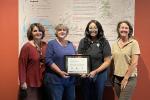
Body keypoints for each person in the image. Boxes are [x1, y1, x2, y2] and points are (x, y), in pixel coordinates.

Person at [77, 20, 111, 100]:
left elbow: (107, 61)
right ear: (87, 30)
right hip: (85, 74)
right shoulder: (83, 41)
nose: (93, 30)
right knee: (86, 96)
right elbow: (79, 58)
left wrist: (95, 71)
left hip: (100, 74)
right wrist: (81, 71)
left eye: (95, 28)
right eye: (90, 28)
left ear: (99, 29)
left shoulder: (104, 42)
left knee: (98, 97)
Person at [44, 24, 76, 100]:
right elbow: (48, 60)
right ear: (56, 32)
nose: (62, 31)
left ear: (67, 32)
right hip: (55, 80)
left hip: (70, 80)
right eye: (59, 30)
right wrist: (60, 72)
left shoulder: (70, 44)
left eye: (64, 30)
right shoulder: (51, 44)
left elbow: (75, 59)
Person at [112, 20, 140, 100]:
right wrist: (111, 76)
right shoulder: (115, 44)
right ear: (118, 29)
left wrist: (126, 78)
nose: (124, 29)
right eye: (122, 27)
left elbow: (134, 63)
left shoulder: (134, 43)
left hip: (129, 78)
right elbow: (113, 61)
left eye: (126, 28)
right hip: (117, 78)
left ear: (129, 30)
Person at [18, 23, 47, 100]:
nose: (38, 32)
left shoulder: (45, 45)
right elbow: (22, 65)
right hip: (30, 82)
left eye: (40, 30)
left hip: (43, 82)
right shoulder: (26, 47)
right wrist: (22, 82)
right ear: (31, 33)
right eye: (35, 31)